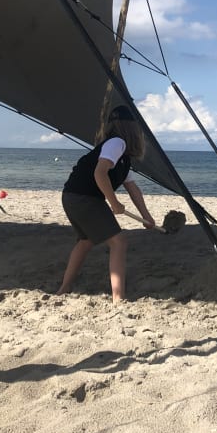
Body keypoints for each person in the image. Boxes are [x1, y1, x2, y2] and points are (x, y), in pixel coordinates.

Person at [57, 105, 155, 302]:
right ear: (132, 127)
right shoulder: (116, 143)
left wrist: (146, 216)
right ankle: (119, 298)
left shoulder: (122, 156)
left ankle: (64, 289)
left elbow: (132, 188)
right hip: (83, 197)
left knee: (85, 241)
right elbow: (100, 173)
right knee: (119, 242)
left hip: (72, 195)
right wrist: (114, 203)